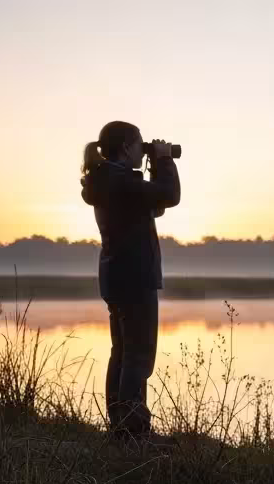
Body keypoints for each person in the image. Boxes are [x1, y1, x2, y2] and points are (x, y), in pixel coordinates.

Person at [80, 120, 180, 442]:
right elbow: (170, 195)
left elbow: (155, 205)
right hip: (135, 277)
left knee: (122, 352)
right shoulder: (120, 181)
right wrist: (163, 159)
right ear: (125, 147)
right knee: (138, 354)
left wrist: (153, 167)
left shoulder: (108, 180)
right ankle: (133, 431)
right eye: (140, 144)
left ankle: (121, 426)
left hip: (117, 276)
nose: (144, 149)